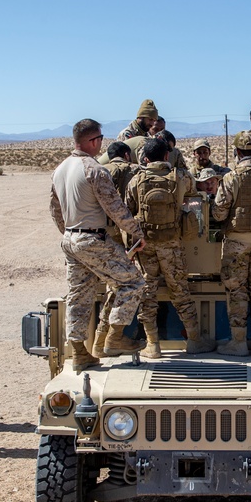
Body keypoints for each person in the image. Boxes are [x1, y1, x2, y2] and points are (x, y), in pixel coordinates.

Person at [50, 119, 147, 368]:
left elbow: (55, 210)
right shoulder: (94, 170)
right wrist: (137, 234)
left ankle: (80, 353)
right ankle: (115, 338)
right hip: (92, 238)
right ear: (94, 141)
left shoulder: (60, 169)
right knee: (133, 282)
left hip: (70, 239)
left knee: (78, 296)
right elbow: (115, 209)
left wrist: (70, 232)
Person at [126, 138, 217, 357]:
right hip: (172, 244)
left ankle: (152, 344)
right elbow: (193, 196)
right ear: (167, 156)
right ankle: (194, 340)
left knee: (148, 293)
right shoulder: (182, 176)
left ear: (145, 159)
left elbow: (128, 209)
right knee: (180, 291)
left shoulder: (136, 180)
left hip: (145, 246)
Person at [211, 130, 251, 355]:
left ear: (237, 152)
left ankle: (238, 342)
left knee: (237, 289)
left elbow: (219, 213)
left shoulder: (231, 178)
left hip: (237, 240)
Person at [91, 141, 143, 358]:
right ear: (126, 155)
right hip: (129, 234)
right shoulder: (137, 172)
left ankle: (100, 339)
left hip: (104, 237)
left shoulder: (99, 173)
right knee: (135, 285)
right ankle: (112, 339)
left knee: (113, 288)